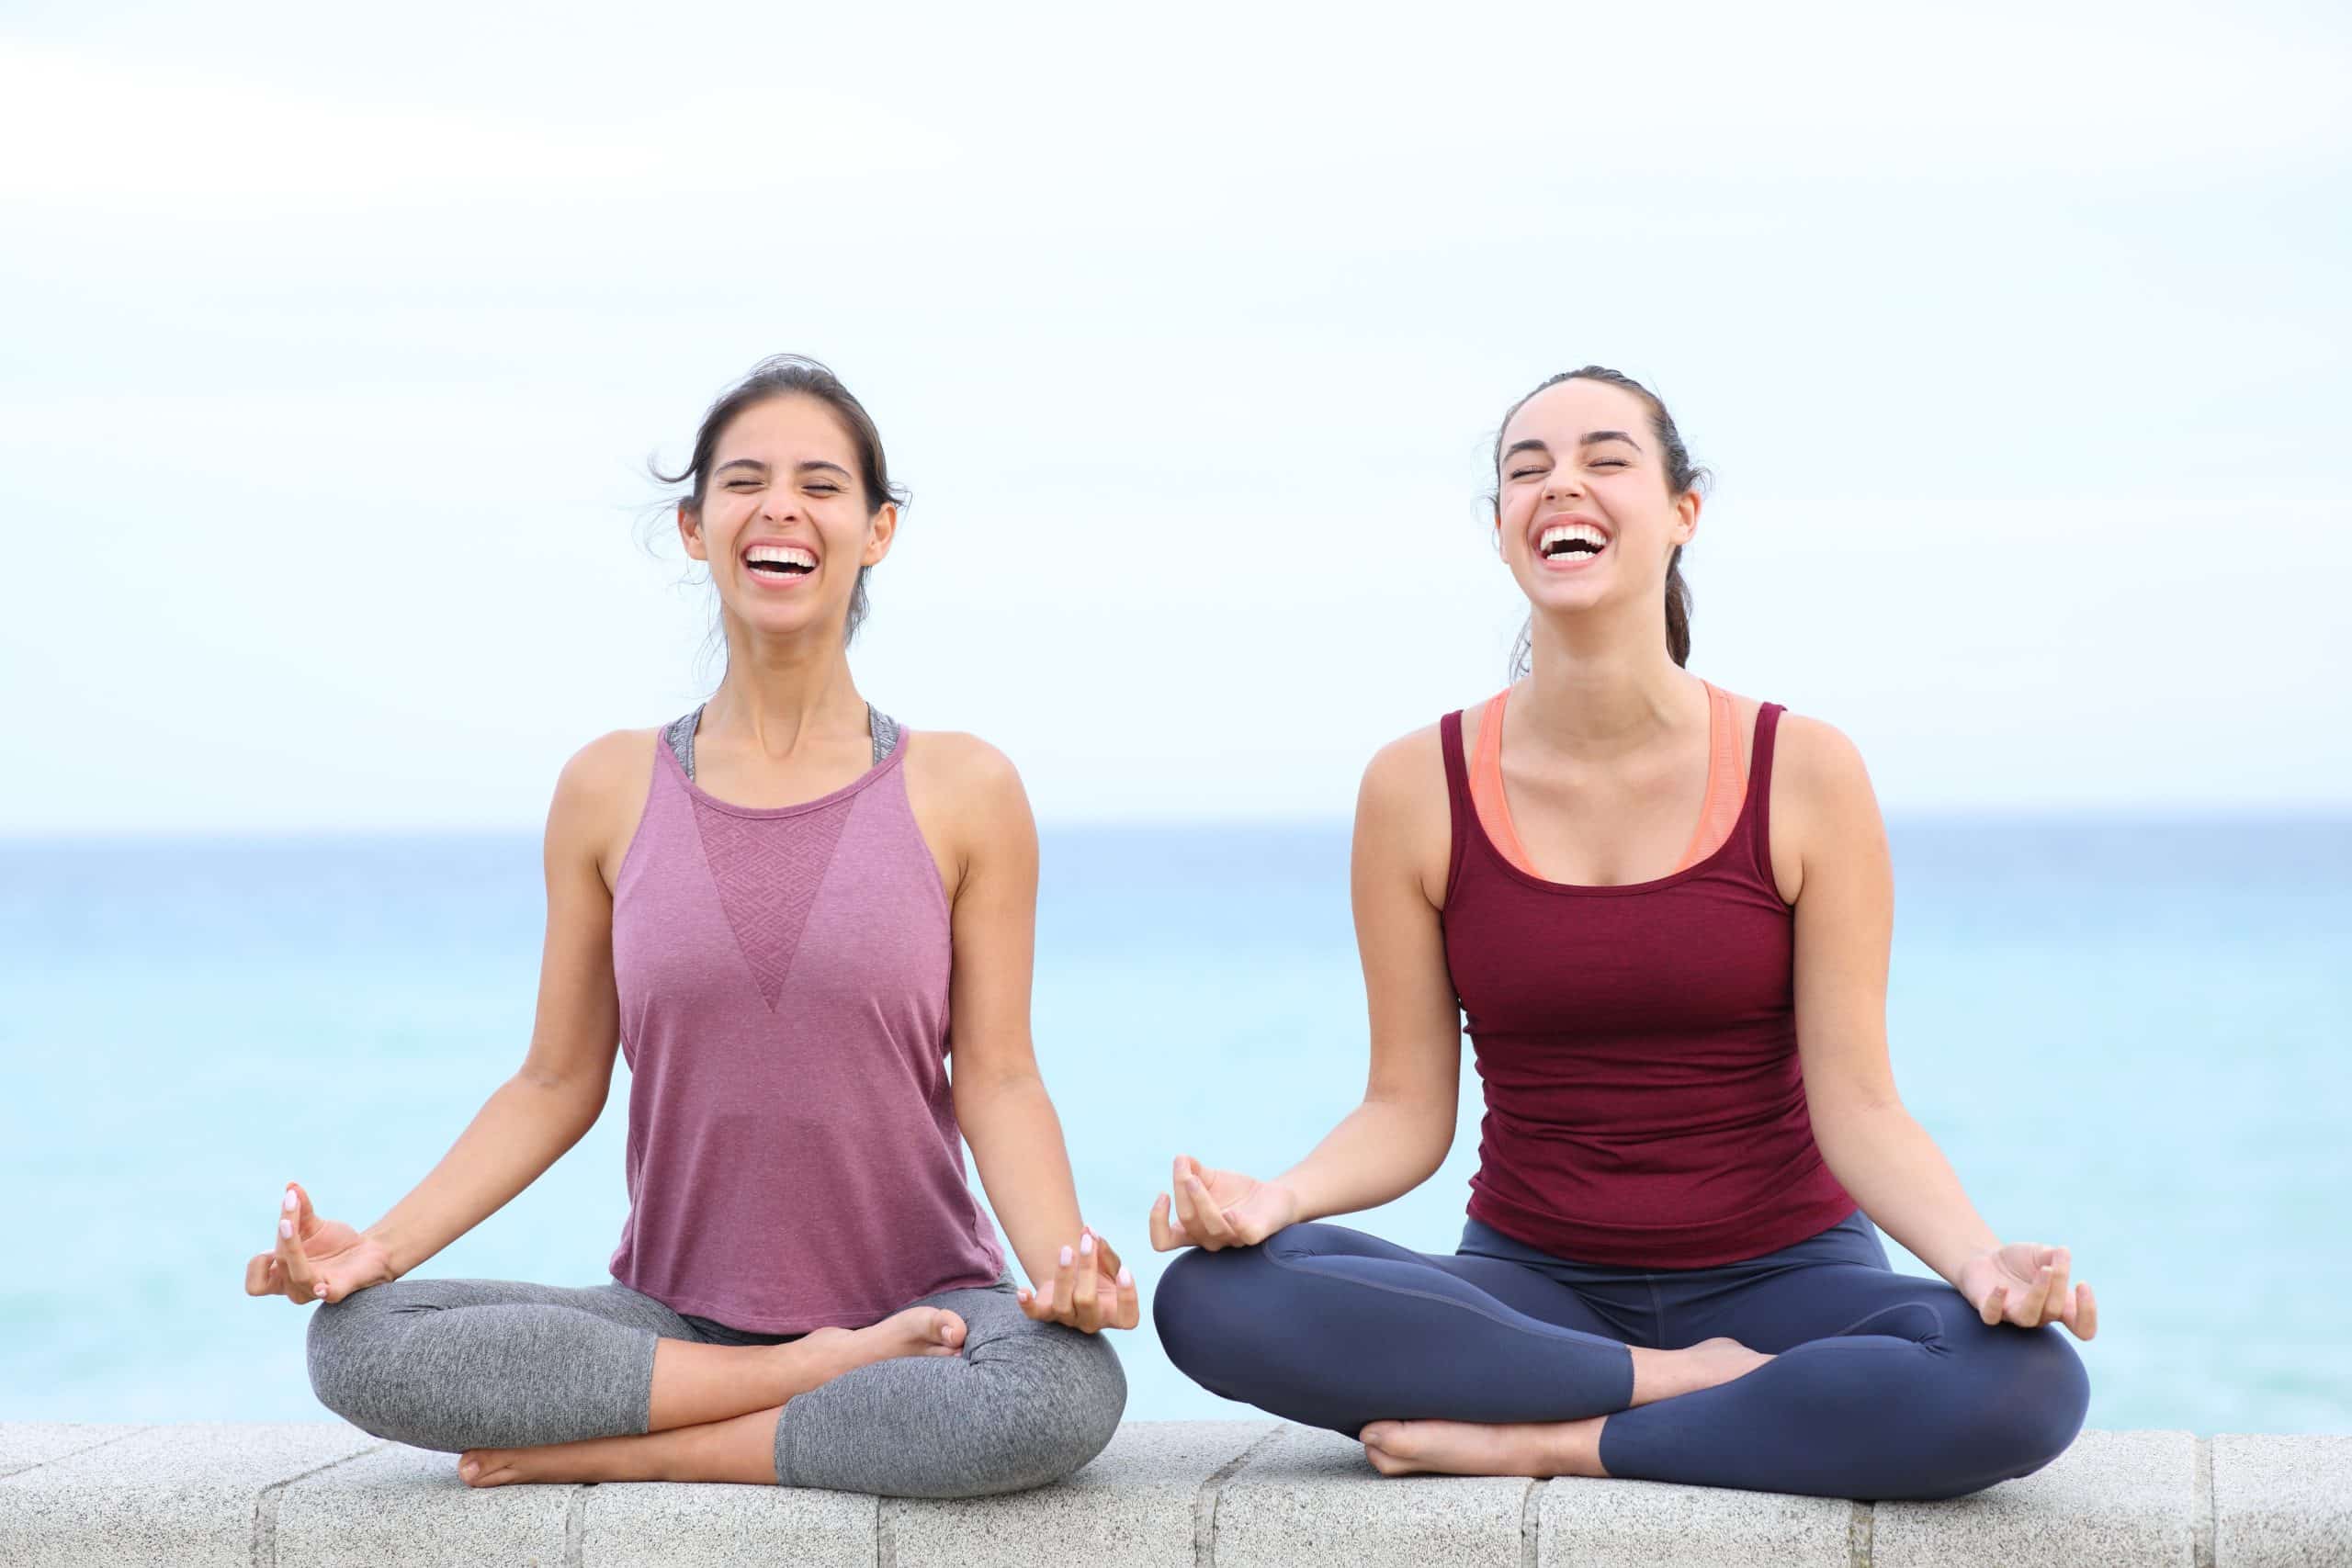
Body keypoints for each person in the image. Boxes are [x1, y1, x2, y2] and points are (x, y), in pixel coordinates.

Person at [1148, 367, 2094, 1501]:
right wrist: (1275, 1201)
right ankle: (1664, 1385)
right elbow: (1405, 1107)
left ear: (1682, 512)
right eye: (1525, 469)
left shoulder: (1804, 771)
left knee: (2025, 1383)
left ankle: (1553, 1435)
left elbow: (1862, 1106)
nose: (1562, 486)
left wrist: (1976, 1262)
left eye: (1605, 460)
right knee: (1213, 1295)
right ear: (1499, 531)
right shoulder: (1415, 787)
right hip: (1532, 1290)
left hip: (1787, 1281)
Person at [243, 355, 1134, 1498]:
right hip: (669, 1318)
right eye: (745, 480)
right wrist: (379, 1251)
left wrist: (1063, 1267)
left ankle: (640, 1450)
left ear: (877, 531)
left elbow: (999, 1079)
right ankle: (806, 1382)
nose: (781, 507)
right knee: (355, 1342)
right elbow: (556, 1080)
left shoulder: (965, 789)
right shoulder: (608, 788)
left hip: (926, 1312)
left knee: (1063, 1393)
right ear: (693, 525)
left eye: (821, 484)